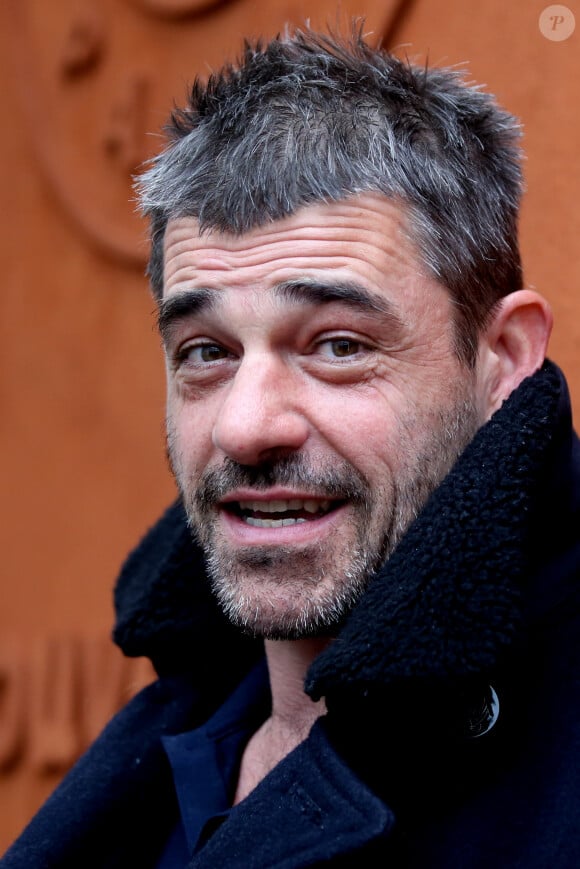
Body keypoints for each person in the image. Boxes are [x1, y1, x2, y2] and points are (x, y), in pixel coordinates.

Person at [3, 22, 580, 869]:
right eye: (207, 352)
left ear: (505, 359)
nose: (245, 425)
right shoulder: (180, 736)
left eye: (337, 345)